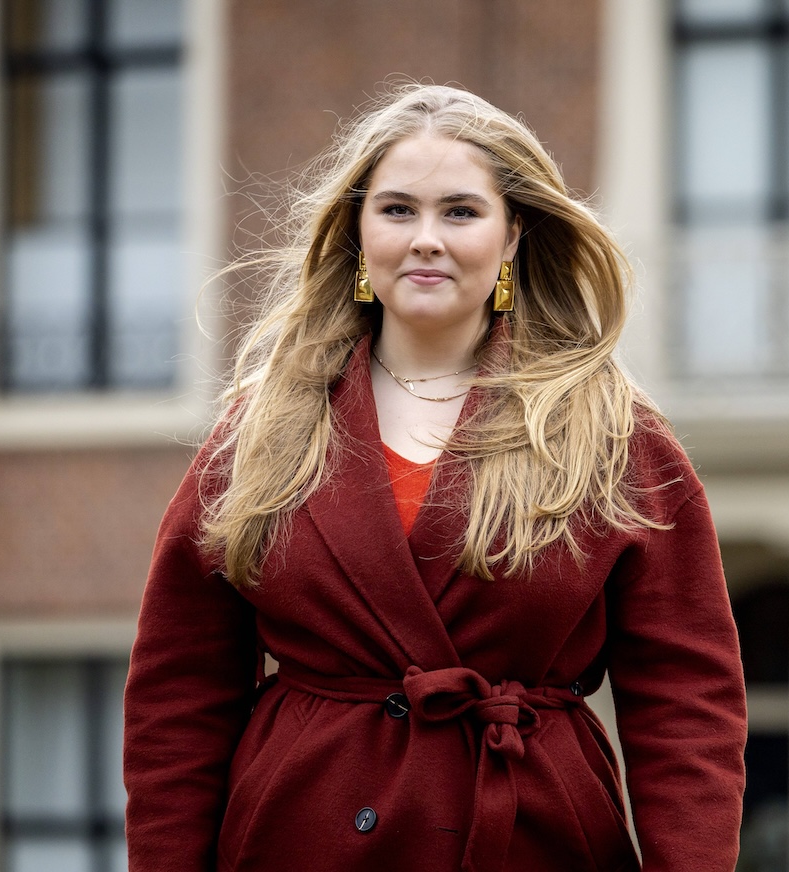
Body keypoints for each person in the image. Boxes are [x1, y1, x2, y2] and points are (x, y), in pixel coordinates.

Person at [123, 83, 746, 872]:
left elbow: (688, 703)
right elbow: (178, 696)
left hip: (534, 839)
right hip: (299, 837)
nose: (425, 238)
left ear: (513, 234)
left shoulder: (616, 436)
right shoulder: (260, 432)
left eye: (459, 211)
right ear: (356, 232)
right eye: (396, 210)